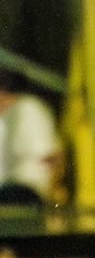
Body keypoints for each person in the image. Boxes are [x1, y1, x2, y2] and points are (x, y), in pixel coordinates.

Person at [0, 68, 60, 214]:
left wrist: (51, 196)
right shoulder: (4, 119)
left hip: (25, 192)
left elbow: (52, 158)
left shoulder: (29, 110)